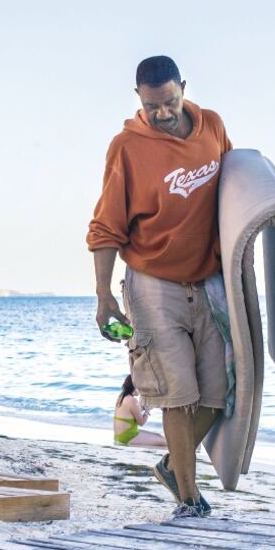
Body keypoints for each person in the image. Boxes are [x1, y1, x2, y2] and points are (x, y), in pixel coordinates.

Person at [87, 55, 232, 518]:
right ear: (138, 100)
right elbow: (106, 225)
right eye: (153, 106)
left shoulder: (212, 127)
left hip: (209, 280)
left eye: (169, 102)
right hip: (152, 282)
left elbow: (234, 193)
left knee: (220, 390)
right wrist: (104, 294)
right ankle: (190, 500)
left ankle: (174, 466)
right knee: (175, 394)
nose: (163, 113)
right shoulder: (126, 147)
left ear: (183, 88)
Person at [113, 375, 167, 447]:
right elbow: (141, 422)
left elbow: (131, 413)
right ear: (134, 387)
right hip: (128, 438)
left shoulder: (121, 397)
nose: (141, 390)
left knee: (158, 436)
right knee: (164, 441)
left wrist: (144, 408)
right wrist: (147, 411)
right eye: (140, 387)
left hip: (119, 436)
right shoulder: (132, 400)